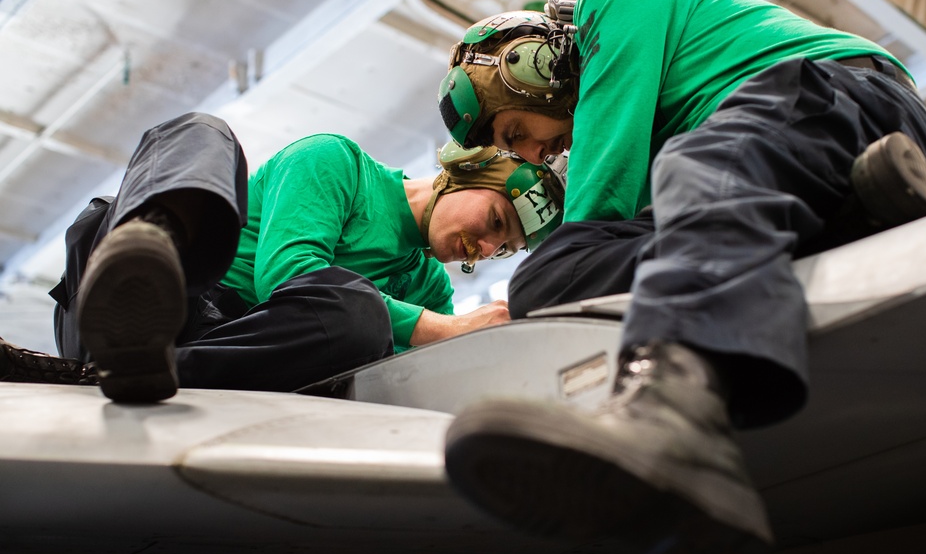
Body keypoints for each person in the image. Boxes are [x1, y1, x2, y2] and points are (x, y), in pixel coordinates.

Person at [435, 0, 926, 554]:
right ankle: (855, 213)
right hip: (780, 156)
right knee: (542, 283)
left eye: (516, 133)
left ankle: (677, 417)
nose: (534, 156)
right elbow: (581, 258)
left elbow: (597, 211)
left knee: (679, 182)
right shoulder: (665, 132)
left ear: (537, 65)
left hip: (837, 95)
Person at [1, 112, 563, 402]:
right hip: (177, 298)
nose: (486, 249)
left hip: (227, 356)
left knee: (359, 321)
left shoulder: (430, 292)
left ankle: (116, 371)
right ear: (463, 171)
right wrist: (444, 330)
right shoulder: (337, 163)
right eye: (494, 222)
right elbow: (287, 273)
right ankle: (145, 256)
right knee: (203, 131)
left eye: (502, 250)